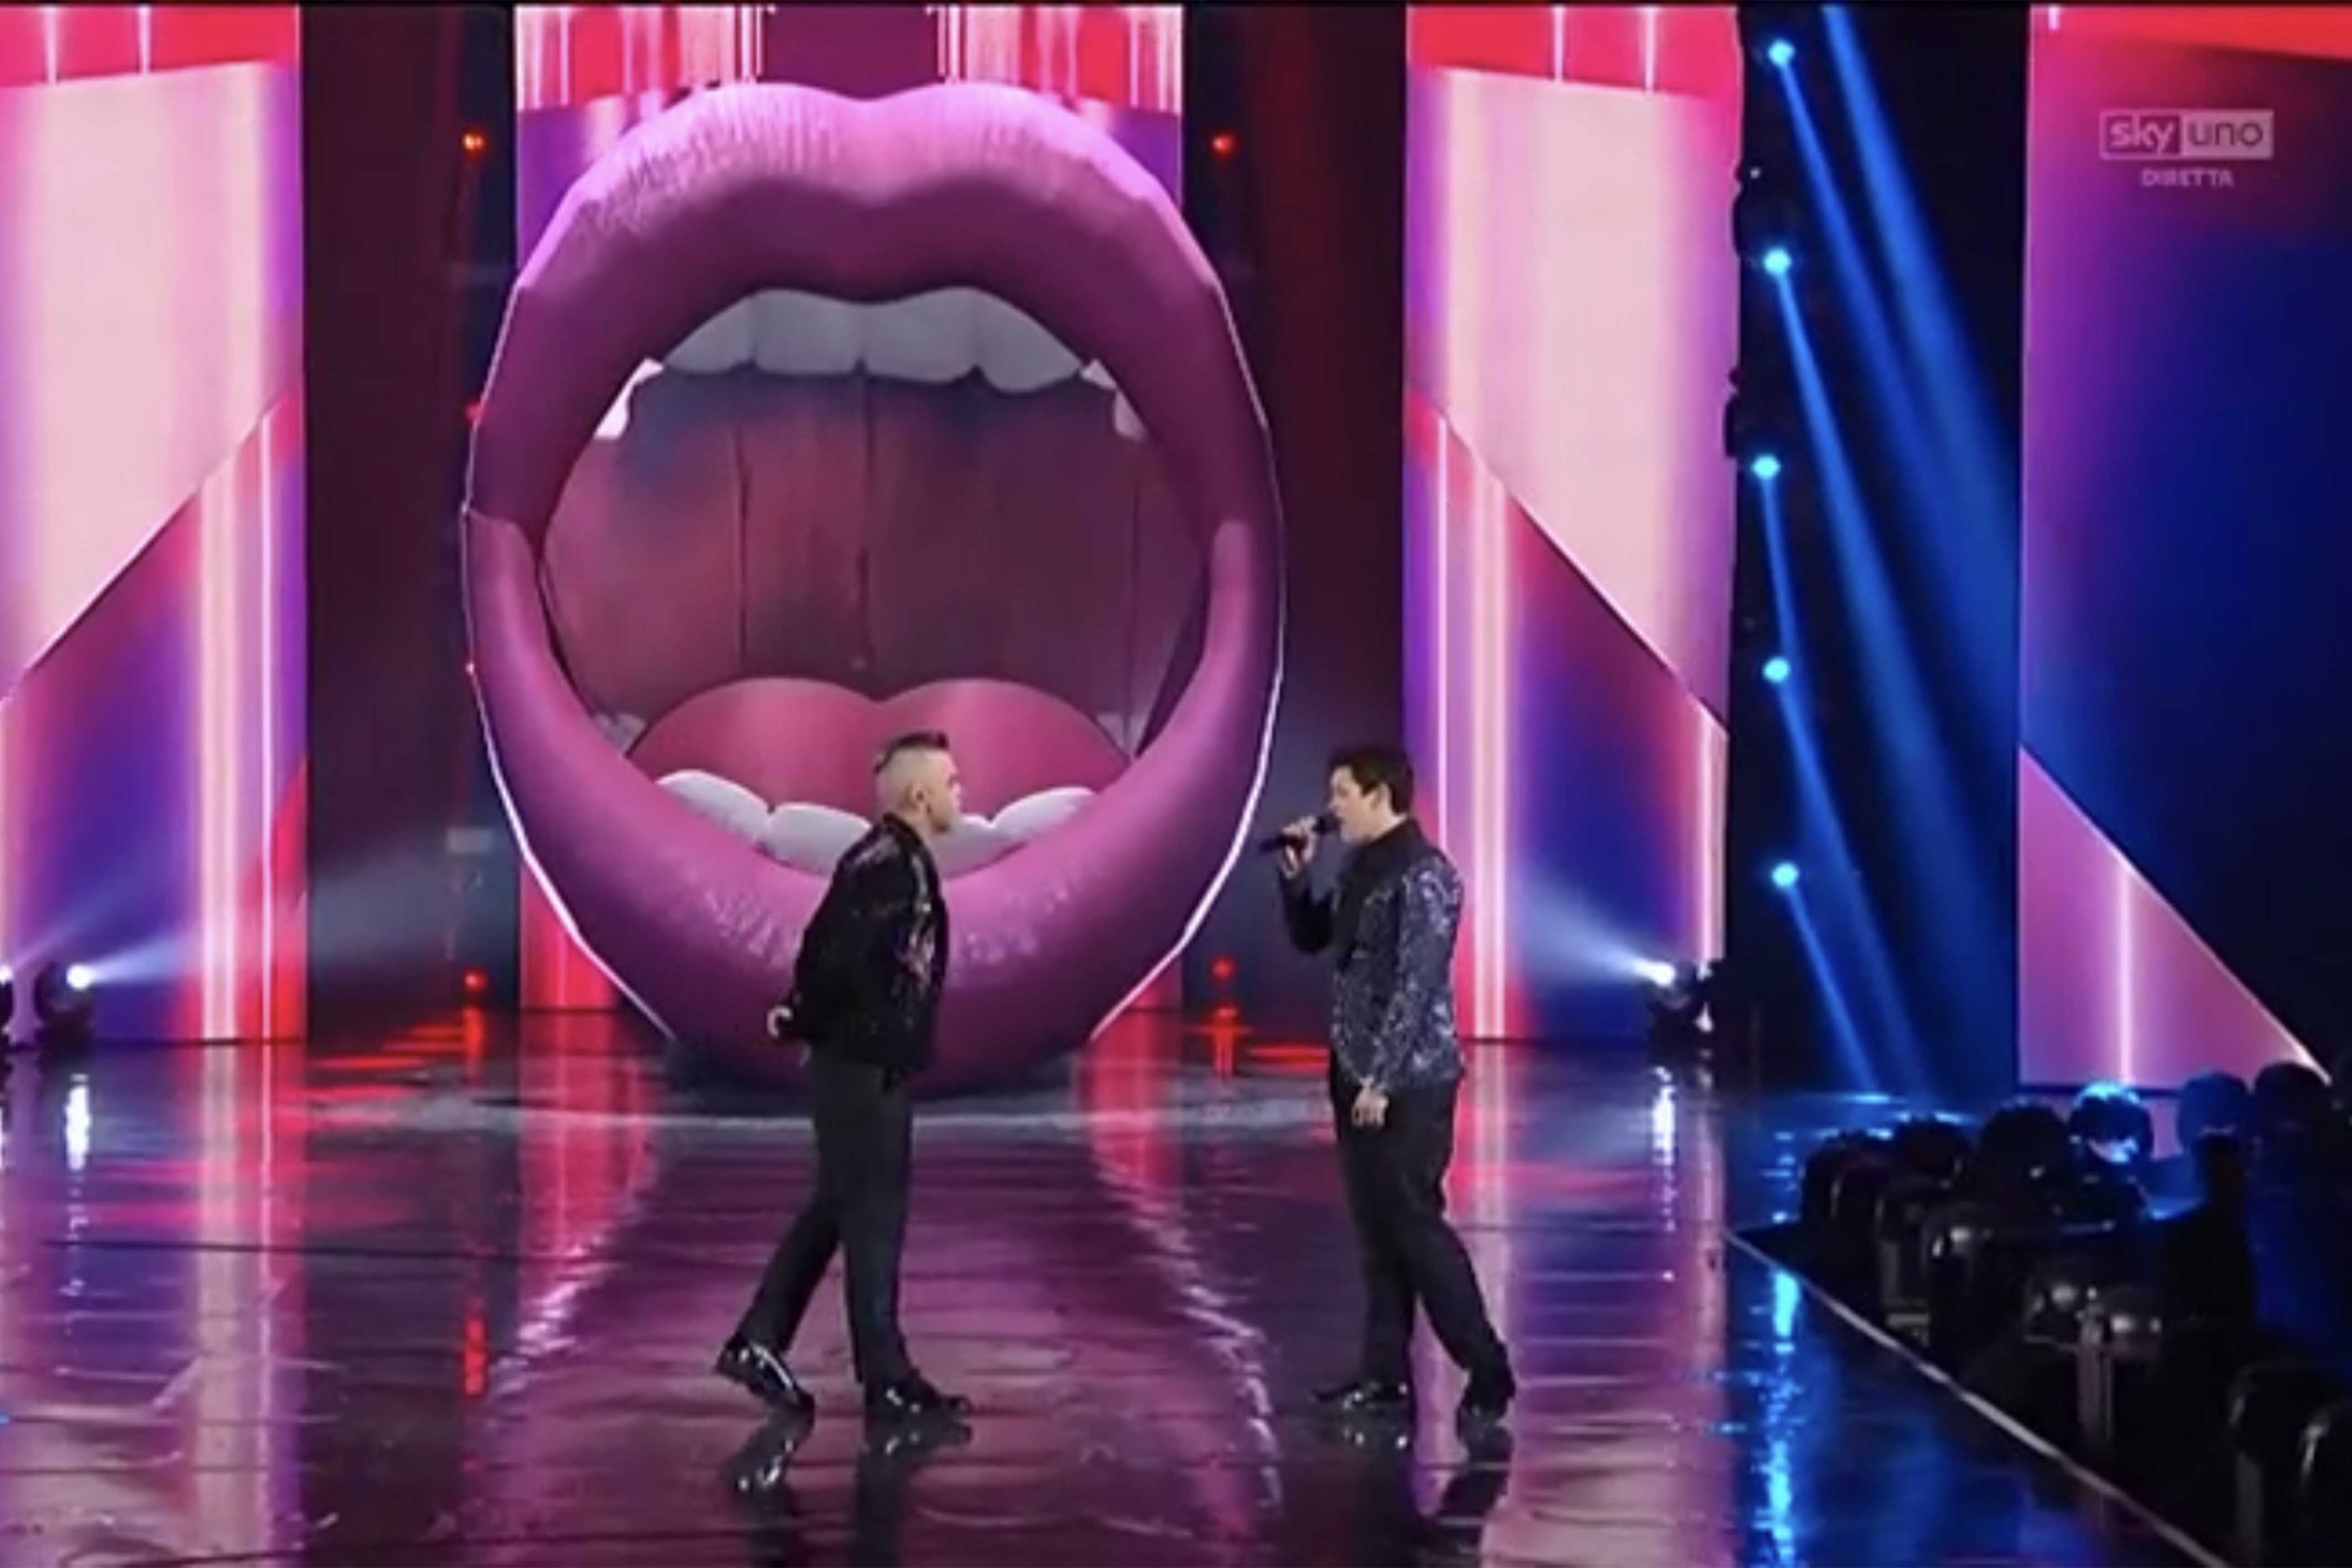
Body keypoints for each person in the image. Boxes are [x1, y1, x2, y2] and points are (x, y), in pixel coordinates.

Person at [715, 730, 971, 1421]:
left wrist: (803, 1016)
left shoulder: (894, 861)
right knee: (871, 1216)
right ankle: (881, 1376)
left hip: (864, 1061)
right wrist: (804, 1014)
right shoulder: (889, 866)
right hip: (859, 1064)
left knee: (844, 1207)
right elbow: (835, 957)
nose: (961, 794)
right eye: (951, 782)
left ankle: (764, 1343)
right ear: (920, 794)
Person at [1277, 742, 1515, 1424]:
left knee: (1414, 1226)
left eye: (1342, 794)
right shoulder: (1361, 867)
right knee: (1376, 1233)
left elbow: (1417, 984)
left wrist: (1382, 1079)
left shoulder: (1425, 876)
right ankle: (1384, 1376)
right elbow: (1316, 939)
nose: (1332, 809)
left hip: (1408, 1083)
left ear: (1380, 795)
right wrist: (1297, 881)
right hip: (1354, 1073)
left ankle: (1487, 1365)